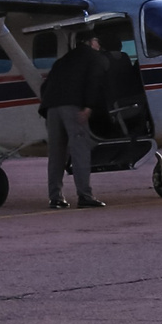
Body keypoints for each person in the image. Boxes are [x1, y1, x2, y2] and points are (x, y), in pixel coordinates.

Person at [39, 32, 109, 209]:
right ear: (91, 42)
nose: (99, 46)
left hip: (52, 108)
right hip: (72, 108)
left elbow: (45, 86)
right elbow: (95, 81)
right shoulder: (94, 58)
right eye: (97, 41)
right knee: (80, 150)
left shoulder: (63, 60)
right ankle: (85, 195)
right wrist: (89, 106)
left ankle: (55, 197)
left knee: (56, 154)